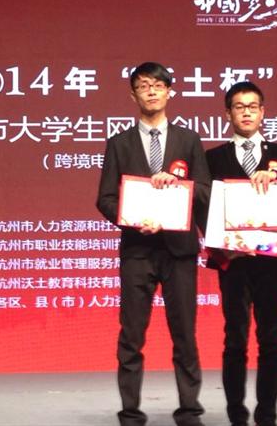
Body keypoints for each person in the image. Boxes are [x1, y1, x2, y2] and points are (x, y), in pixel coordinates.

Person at [96, 61, 211, 426]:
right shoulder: (119, 143)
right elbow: (106, 198)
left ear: (169, 92)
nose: (151, 91)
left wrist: (178, 188)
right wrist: (132, 219)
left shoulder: (189, 140)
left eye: (158, 85)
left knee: (185, 334)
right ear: (134, 95)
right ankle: (130, 412)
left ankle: (189, 410)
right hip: (138, 250)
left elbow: (205, 191)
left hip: (179, 251)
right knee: (131, 335)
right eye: (143, 85)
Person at [205, 81, 277, 426]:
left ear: (263, 112)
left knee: (270, 339)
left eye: (253, 106)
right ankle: (236, 414)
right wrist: (222, 248)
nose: (247, 112)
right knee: (234, 339)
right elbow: (202, 207)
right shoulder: (213, 158)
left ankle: (267, 415)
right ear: (228, 114)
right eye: (239, 107)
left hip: (272, 263)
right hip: (233, 263)